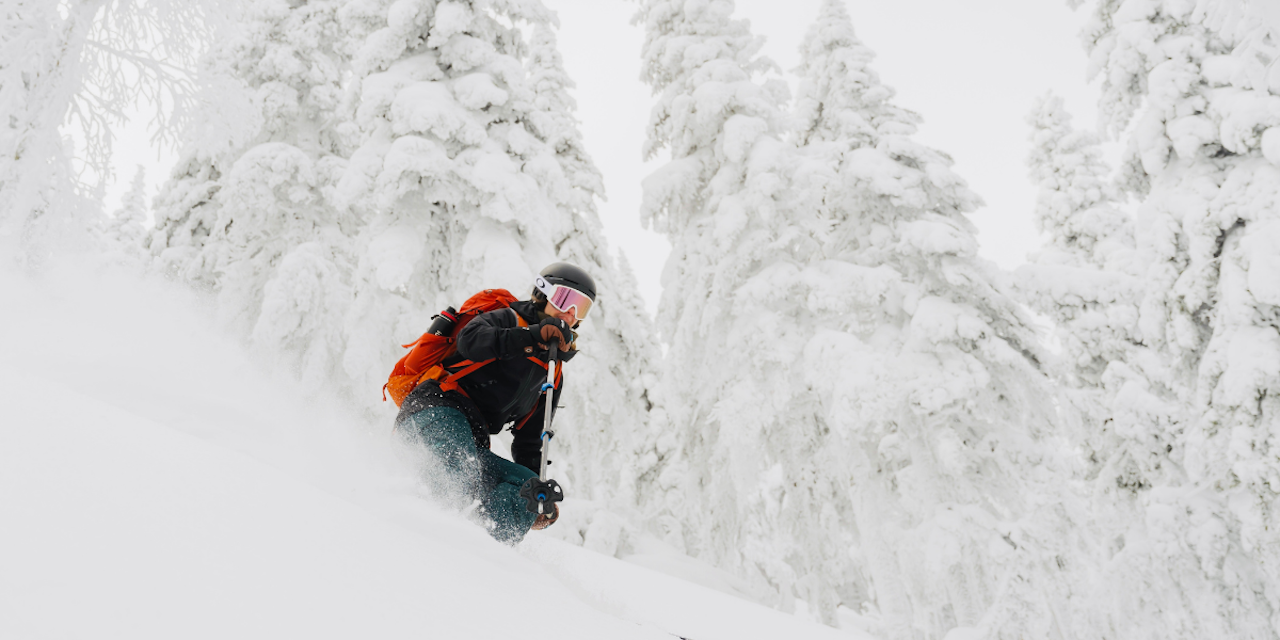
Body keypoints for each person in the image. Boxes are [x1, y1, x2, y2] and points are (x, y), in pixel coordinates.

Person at [395, 262, 596, 544]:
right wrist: (532, 336)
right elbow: (470, 341)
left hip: (472, 441)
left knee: (526, 491)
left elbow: (529, 443)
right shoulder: (510, 318)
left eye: (581, 307)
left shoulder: (551, 372)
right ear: (543, 293)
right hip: (434, 409)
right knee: (457, 487)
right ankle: (424, 541)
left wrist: (537, 499)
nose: (571, 313)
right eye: (565, 299)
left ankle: (485, 557)